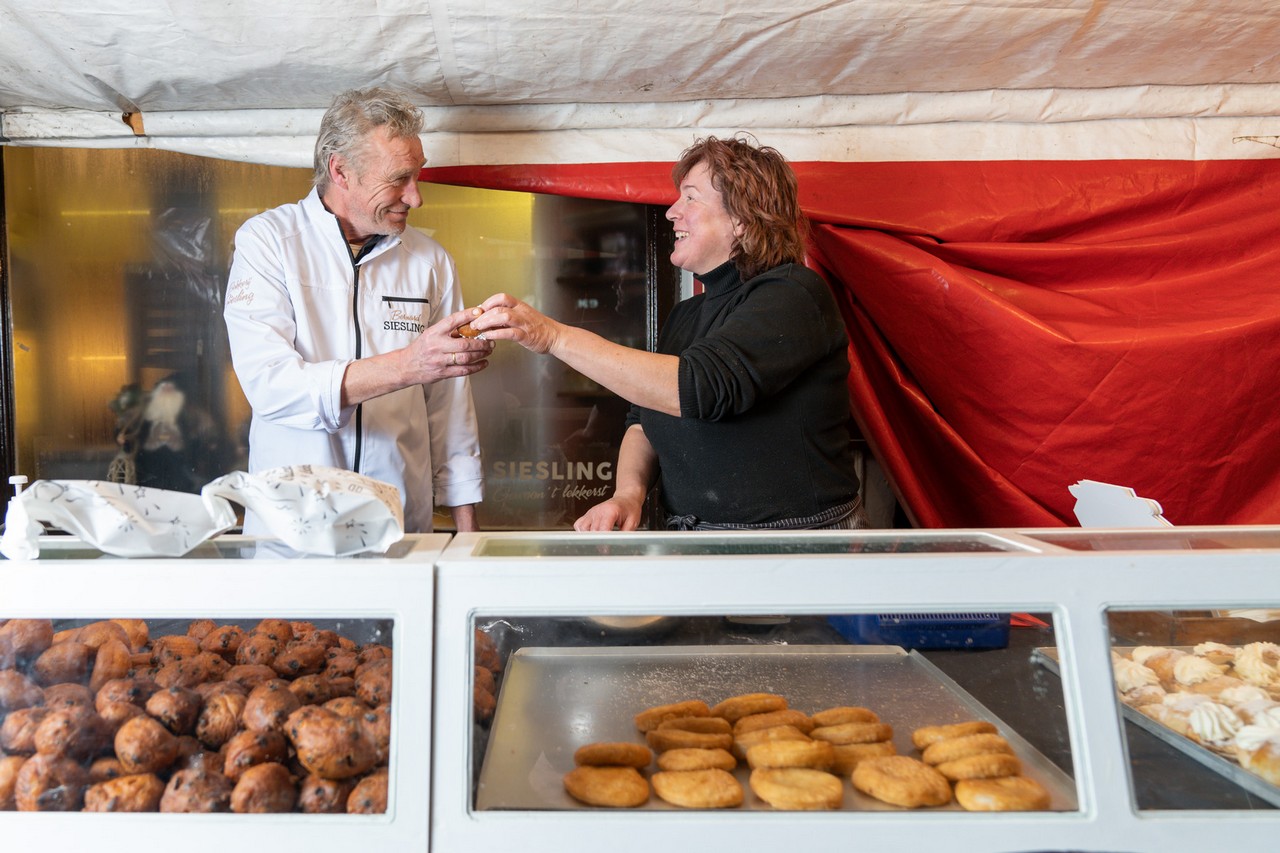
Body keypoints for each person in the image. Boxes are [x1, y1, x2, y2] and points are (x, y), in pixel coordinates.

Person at [472, 135, 865, 531]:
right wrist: (628, 493)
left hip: (798, 541)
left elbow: (702, 387)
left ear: (743, 218)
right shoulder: (686, 315)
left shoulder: (794, 293)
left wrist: (554, 337)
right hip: (695, 536)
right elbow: (642, 419)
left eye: (691, 198)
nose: (673, 211)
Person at [223, 87, 493, 534]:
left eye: (417, 177)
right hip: (295, 528)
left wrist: (467, 534)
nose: (415, 197)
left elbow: (450, 405)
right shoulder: (268, 241)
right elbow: (272, 387)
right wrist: (408, 365)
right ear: (341, 170)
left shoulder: (431, 261)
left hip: (400, 526)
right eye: (399, 179)